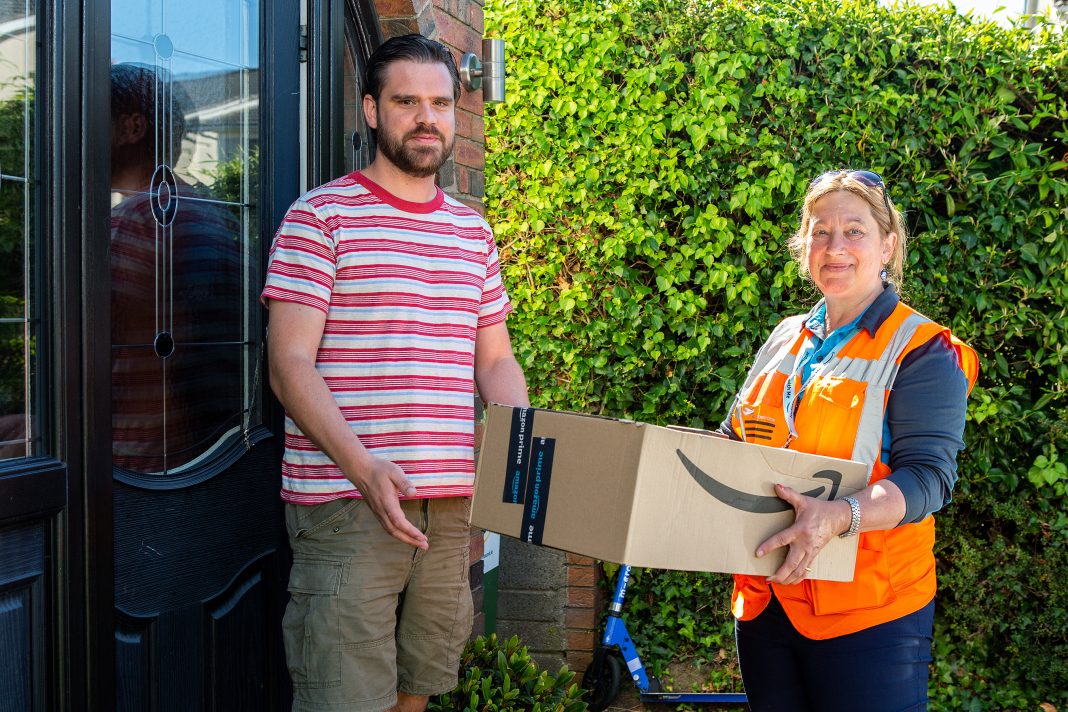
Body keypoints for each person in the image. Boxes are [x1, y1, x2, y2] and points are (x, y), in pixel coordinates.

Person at [262, 34, 530, 712]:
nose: (427, 118)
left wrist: (516, 447)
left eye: (441, 102)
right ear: (372, 110)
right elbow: (288, 365)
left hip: (450, 508)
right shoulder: (319, 217)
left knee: (422, 685)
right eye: (407, 100)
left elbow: (495, 359)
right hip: (348, 504)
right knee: (345, 697)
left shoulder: (473, 233)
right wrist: (364, 467)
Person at [719, 170, 979, 711]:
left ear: (888, 244)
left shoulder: (923, 350)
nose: (834, 248)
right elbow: (732, 440)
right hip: (767, 601)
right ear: (803, 245)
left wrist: (841, 516)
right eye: (820, 232)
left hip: (870, 613)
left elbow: (928, 479)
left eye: (854, 232)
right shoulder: (786, 336)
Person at [110, 62, 243, 473]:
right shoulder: (217, 214)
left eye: (91, 119)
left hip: (132, 457)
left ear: (132, 127)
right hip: (202, 453)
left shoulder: (136, 220)